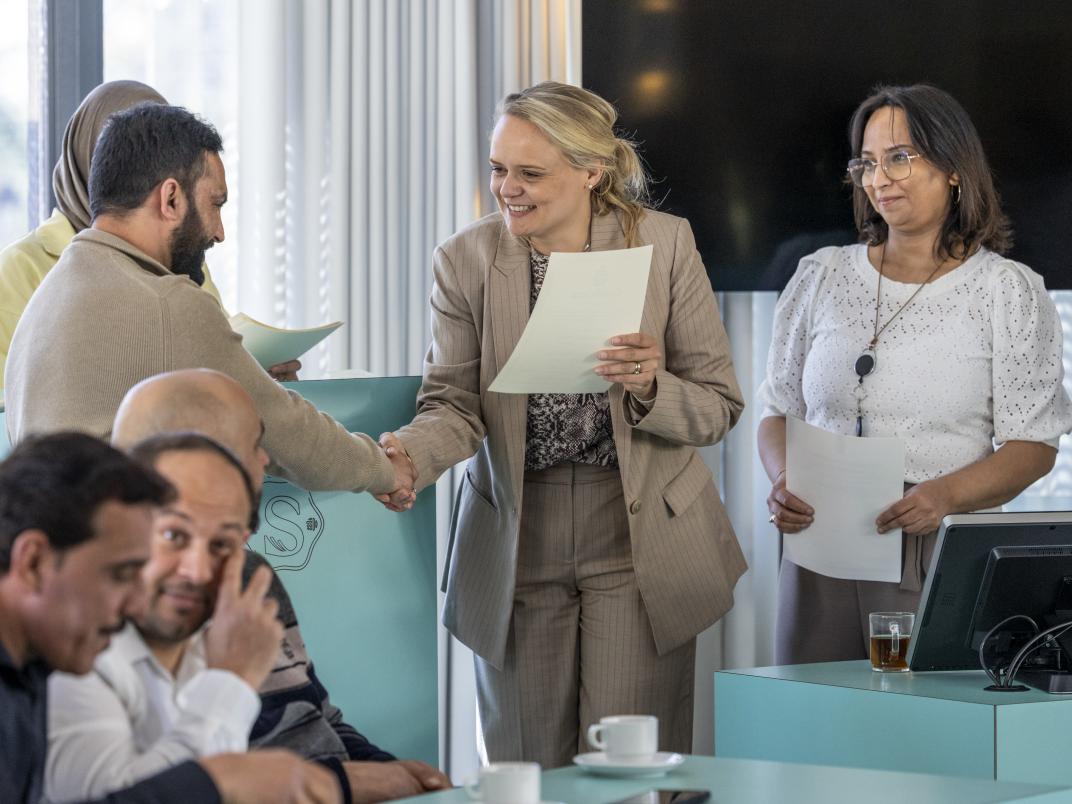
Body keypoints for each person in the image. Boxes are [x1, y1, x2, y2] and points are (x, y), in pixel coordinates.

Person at [379, 81, 746, 768]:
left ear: (591, 171)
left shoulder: (664, 245)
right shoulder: (465, 260)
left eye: (529, 173)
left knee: (626, 771)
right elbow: (454, 405)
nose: (506, 188)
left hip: (635, 536)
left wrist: (648, 387)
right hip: (520, 533)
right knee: (527, 768)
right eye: (497, 168)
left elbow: (718, 405)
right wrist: (406, 459)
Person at [757, 84, 1072, 665]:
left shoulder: (1005, 289)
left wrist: (942, 497)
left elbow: (1033, 445)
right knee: (815, 726)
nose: (880, 178)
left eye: (900, 157)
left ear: (953, 168)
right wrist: (782, 480)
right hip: (819, 538)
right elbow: (778, 410)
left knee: (918, 731)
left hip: (935, 541)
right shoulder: (820, 274)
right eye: (868, 163)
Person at [3, 102, 415, 505]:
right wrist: (382, 468)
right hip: (119, 557)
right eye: (215, 205)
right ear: (170, 199)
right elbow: (285, 432)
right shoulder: (165, 302)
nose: (219, 233)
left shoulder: (52, 287)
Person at [110, 369, 452, 803]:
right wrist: (349, 785)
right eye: (255, 444)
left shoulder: (253, 576)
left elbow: (315, 717)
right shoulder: (128, 615)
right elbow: (199, 780)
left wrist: (399, 777)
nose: (267, 461)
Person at [0, 432, 341, 804]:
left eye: (223, 544)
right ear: (33, 561)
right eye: (120, 573)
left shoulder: (29, 673)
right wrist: (219, 778)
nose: (133, 604)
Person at [0, 80, 298, 398]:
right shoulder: (19, 267)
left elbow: (213, 357)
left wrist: (256, 373)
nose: (143, 170)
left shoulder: (180, 253)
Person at [45, 433, 284, 801]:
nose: (198, 571)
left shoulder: (219, 637)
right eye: (173, 535)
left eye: (221, 545)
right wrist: (231, 681)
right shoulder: (71, 651)